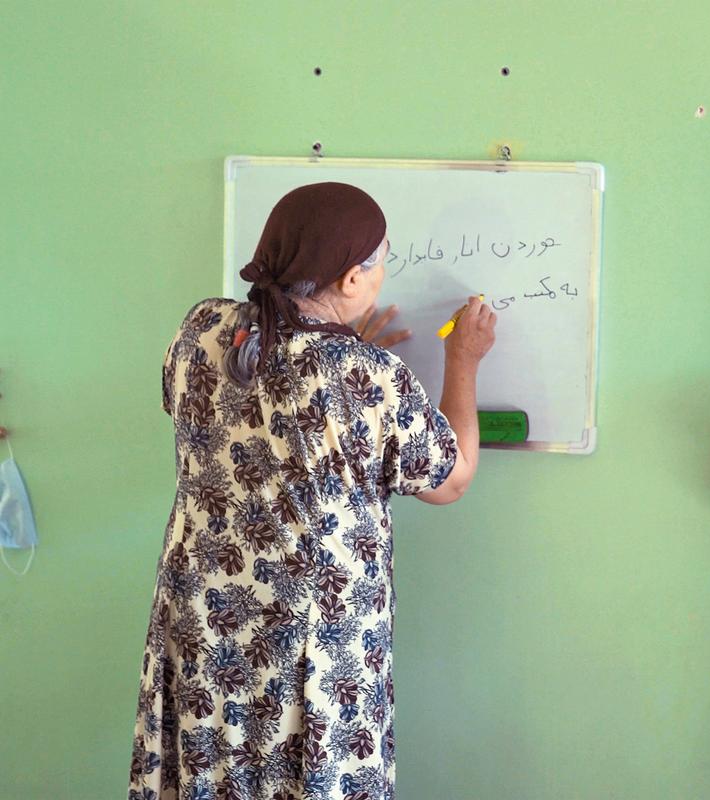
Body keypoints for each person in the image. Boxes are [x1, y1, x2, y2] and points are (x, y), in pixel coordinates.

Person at [128, 182, 495, 800]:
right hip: (312, 641)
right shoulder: (366, 377)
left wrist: (341, 349)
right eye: (380, 263)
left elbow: (238, 398)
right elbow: (451, 478)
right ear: (352, 280)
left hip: (204, 625)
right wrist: (464, 360)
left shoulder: (201, 329)